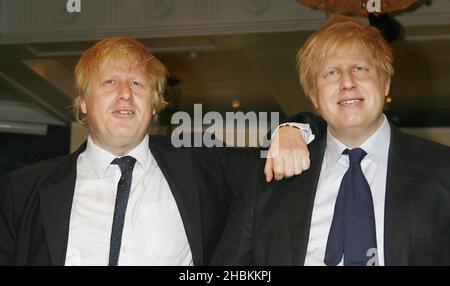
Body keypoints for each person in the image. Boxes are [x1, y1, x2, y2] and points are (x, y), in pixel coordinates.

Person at [0, 37, 313, 266]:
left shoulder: (203, 162)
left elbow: (286, 160)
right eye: (110, 82)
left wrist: (292, 130)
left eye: (137, 84)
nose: (124, 94)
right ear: (83, 102)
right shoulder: (23, 189)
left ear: (155, 106)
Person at [211, 15, 450, 266]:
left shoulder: (442, 170)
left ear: (385, 83)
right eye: (332, 73)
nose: (347, 82)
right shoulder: (270, 182)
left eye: (359, 68)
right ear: (314, 96)